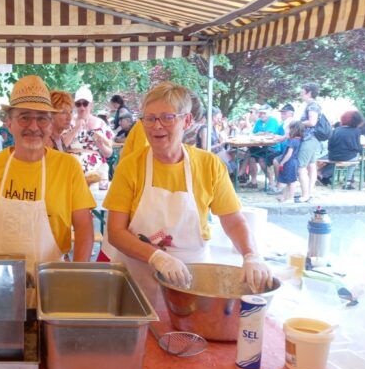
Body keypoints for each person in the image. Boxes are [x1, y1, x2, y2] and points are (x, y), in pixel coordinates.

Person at [101, 81, 272, 316]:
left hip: (191, 279)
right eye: (149, 119)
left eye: (167, 117)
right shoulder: (131, 166)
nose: (156, 126)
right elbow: (116, 232)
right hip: (136, 278)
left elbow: (233, 220)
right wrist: (156, 256)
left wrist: (251, 254)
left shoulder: (208, 165)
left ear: (187, 121)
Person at [0, 75, 95, 272]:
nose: (34, 126)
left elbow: (83, 226)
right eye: (24, 117)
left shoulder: (68, 167)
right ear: (9, 123)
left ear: (50, 124)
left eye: (42, 119)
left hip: (52, 277)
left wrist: (77, 275)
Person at [62, 85, 114, 187]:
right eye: (78, 104)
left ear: (91, 105)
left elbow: (109, 153)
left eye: (85, 104)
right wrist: (76, 128)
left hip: (95, 167)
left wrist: (101, 146)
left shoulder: (100, 124)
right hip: (71, 164)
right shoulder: (68, 122)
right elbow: (61, 146)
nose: (82, 107)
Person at [295, 82, 326, 203]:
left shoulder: (312, 105)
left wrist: (298, 123)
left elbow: (312, 122)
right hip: (314, 139)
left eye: (302, 93)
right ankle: (309, 193)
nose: (301, 95)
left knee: (300, 166)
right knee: (311, 165)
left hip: (309, 138)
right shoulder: (315, 105)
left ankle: (305, 195)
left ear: (309, 93)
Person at [318, 109, 363, 190]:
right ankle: (348, 182)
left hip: (333, 155)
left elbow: (330, 144)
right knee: (355, 159)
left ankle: (323, 175)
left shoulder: (336, 129)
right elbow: (357, 146)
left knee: (337, 162)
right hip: (347, 156)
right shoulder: (356, 131)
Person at [245, 104, 285, 190]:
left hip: (273, 148)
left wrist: (260, 134)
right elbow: (253, 134)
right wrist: (261, 134)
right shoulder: (259, 121)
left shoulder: (273, 121)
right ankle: (253, 182)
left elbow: (270, 135)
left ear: (269, 113)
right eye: (260, 113)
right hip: (262, 147)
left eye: (264, 113)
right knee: (252, 157)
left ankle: (271, 182)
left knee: (261, 160)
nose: (262, 115)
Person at [273, 121, 303, 203]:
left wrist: (282, 162)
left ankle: (291, 198)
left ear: (293, 130)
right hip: (293, 162)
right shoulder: (297, 140)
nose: (286, 130)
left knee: (291, 182)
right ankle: (285, 197)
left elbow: (289, 154)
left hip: (289, 162)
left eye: (288, 129)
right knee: (288, 182)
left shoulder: (292, 141)